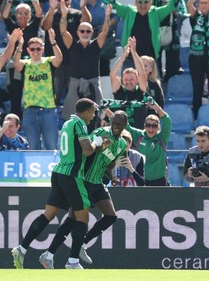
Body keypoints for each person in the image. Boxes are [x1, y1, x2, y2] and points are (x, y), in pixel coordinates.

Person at [11, 98, 110, 270]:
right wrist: (98, 143)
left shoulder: (67, 123)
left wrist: (96, 146)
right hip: (71, 175)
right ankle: (72, 262)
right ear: (86, 111)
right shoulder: (79, 123)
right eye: (93, 112)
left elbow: (79, 150)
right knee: (83, 216)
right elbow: (87, 150)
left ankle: (22, 248)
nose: (93, 115)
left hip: (58, 172)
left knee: (47, 214)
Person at [38, 110, 128, 269]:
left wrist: (112, 176)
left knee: (111, 216)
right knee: (72, 219)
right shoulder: (101, 132)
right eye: (113, 123)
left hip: (98, 182)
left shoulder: (121, 145)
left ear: (124, 126)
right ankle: (53, 255)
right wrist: (99, 145)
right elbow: (86, 150)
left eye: (118, 125)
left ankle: (82, 244)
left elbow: (108, 165)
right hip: (83, 180)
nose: (114, 126)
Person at [61, 3, 112, 128]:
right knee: (72, 118)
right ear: (77, 32)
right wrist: (63, 15)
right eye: (82, 31)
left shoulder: (96, 45)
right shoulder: (72, 45)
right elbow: (63, 31)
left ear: (92, 32)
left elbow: (105, 32)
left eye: (88, 31)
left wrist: (107, 17)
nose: (85, 33)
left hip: (93, 83)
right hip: (75, 83)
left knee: (97, 114)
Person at [13, 31, 63, 150]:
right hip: (30, 111)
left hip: (48, 110)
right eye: (32, 49)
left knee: (51, 146)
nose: (35, 51)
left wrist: (53, 42)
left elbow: (59, 59)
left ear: (43, 49)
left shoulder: (48, 62)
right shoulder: (26, 64)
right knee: (33, 147)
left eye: (38, 49)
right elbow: (16, 64)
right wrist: (19, 45)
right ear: (28, 50)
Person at [41, 0, 91, 105]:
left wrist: (83, 7)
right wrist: (51, 9)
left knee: (73, 95)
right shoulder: (51, 15)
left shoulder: (76, 14)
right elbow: (45, 27)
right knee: (54, 94)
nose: (62, 2)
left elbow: (87, 23)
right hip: (55, 62)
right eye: (59, 0)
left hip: (73, 61)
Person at [2, 1, 42, 119]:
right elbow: (4, 15)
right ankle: (16, 123)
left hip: (31, 67)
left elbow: (39, 13)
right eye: (19, 13)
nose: (23, 16)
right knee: (15, 96)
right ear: (15, 15)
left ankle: (33, 120)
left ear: (30, 15)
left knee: (33, 95)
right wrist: (9, 1)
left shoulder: (33, 26)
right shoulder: (13, 27)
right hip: (15, 67)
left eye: (26, 13)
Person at [186, 0, 209, 119]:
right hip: (196, 59)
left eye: (206, 3)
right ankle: (197, 118)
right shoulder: (195, 16)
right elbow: (188, 4)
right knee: (197, 90)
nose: (203, 5)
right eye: (201, 3)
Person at [104, 0, 175, 62]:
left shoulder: (156, 12)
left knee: (154, 78)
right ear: (135, 2)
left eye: (146, 2)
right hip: (130, 59)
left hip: (150, 60)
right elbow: (112, 3)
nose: (143, 5)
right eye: (140, 2)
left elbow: (171, 6)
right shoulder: (128, 11)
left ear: (151, 2)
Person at [125, 102, 171, 186]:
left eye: (154, 125)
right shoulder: (139, 135)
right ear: (144, 126)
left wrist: (158, 109)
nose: (150, 128)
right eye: (148, 125)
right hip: (143, 179)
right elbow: (123, 124)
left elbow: (167, 121)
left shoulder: (162, 137)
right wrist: (107, 111)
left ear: (158, 127)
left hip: (160, 179)